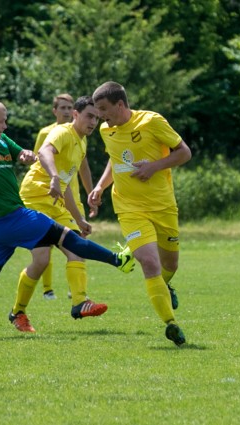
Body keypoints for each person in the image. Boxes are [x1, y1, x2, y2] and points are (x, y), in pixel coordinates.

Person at [0, 99, 135, 338]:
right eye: (2, 120)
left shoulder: (0, 140)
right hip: (12, 216)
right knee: (68, 239)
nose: (6, 126)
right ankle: (117, 260)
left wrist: (25, 155)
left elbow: (21, 153)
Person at [88, 81, 192, 347]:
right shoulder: (105, 130)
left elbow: (184, 153)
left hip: (162, 206)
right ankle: (171, 324)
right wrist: (100, 186)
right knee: (149, 262)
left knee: (170, 265)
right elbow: (115, 158)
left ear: (120, 105)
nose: (100, 115)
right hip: (128, 207)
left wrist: (155, 167)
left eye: (103, 109)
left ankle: (165, 287)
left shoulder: (152, 122)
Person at [19, 95, 104, 321]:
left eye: (96, 117)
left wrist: (79, 218)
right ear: (75, 115)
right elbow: (45, 153)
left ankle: (79, 303)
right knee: (42, 259)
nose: (93, 122)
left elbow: (67, 182)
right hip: (37, 196)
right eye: (89, 116)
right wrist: (54, 176)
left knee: (77, 249)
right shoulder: (61, 132)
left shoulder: (82, 140)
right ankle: (18, 311)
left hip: (58, 200)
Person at [33, 94, 94, 300]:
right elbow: (40, 156)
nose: (66, 111)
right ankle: (48, 289)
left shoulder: (81, 138)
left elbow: (83, 166)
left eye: (69, 107)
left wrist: (92, 191)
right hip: (48, 194)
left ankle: (76, 293)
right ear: (55, 110)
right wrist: (53, 179)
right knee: (46, 245)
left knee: (78, 242)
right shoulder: (49, 133)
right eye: (63, 108)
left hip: (71, 195)